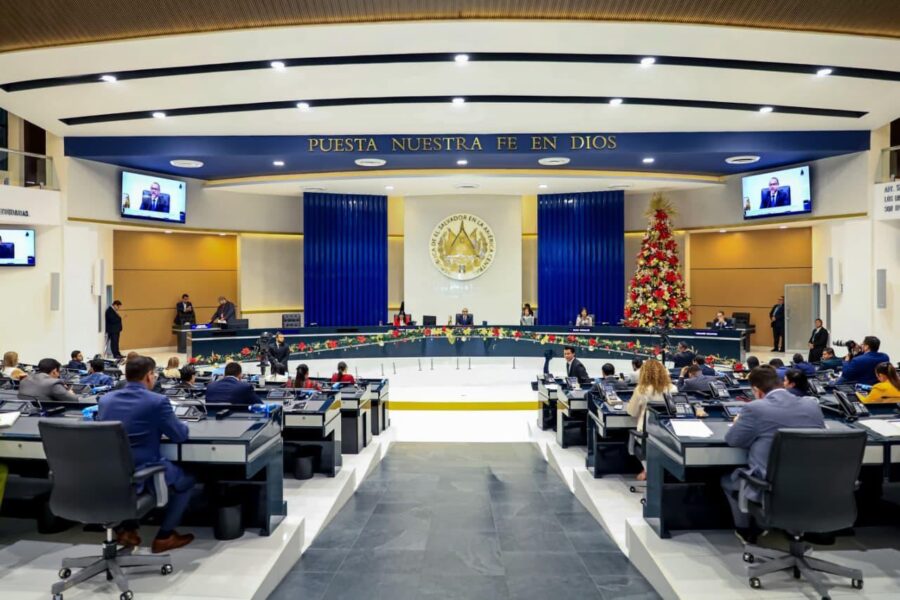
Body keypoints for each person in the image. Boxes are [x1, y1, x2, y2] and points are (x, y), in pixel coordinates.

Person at [97, 356, 194, 553]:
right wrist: (182, 423)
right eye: (154, 374)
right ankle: (165, 537)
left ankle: (126, 530)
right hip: (145, 469)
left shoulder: (106, 400)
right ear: (149, 376)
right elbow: (179, 436)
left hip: (110, 472)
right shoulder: (157, 401)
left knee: (126, 485)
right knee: (187, 481)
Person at [721, 365, 824, 544]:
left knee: (727, 480)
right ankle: (793, 528)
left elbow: (733, 440)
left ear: (757, 390)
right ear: (782, 383)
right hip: (812, 485)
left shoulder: (755, 408)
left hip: (770, 487)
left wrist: (739, 422)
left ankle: (747, 530)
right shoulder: (812, 405)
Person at [626, 359, 677, 481]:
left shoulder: (641, 389)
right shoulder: (673, 388)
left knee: (634, 440)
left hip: (646, 432)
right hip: (667, 431)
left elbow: (632, 412)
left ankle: (647, 469)